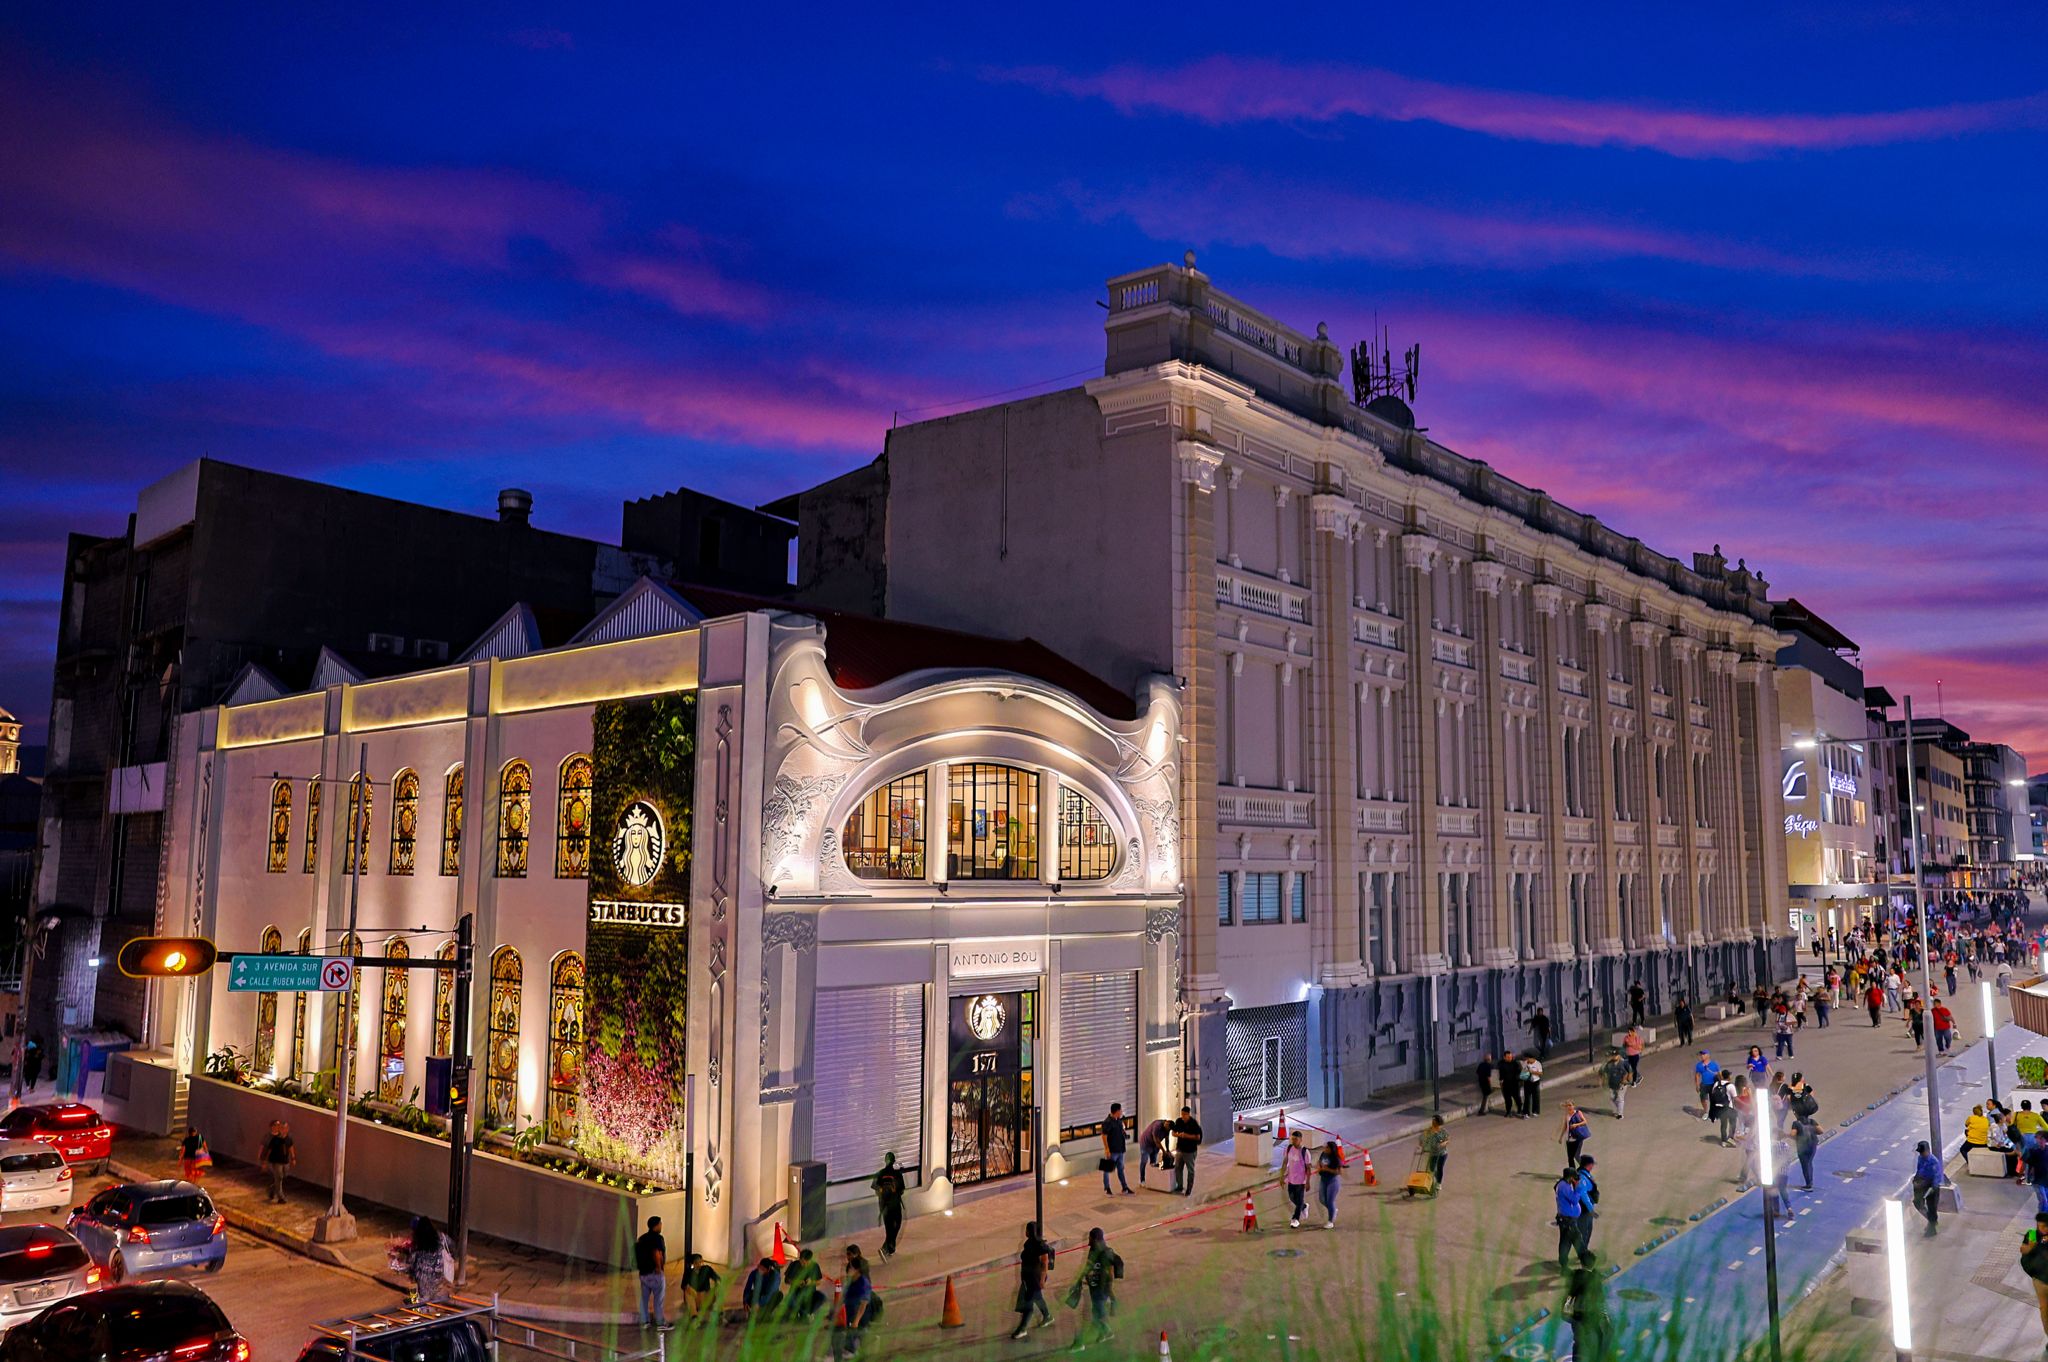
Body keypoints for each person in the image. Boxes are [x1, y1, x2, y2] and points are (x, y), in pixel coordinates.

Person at [1068, 1226, 1122, 1350]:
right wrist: (1078, 1282)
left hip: (1100, 1292)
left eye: (1091, 1238)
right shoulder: (1093, 1251)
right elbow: (1087, 1267)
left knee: (1091, 1319)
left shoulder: (1105, 1253)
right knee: (1095, 1316)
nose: (1089, 1241)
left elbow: (1110, 1276)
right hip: (1094, 1290)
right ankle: (1106, 1333)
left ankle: (1079, 1342)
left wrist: (1110, 1296)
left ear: (1095, 1239)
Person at [1561, 1260, 1612, 1362]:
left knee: (1578, 1341)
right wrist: (1605, 1316)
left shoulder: (1575, 1276)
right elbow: (1600, 1301)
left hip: (1577, 1315)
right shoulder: (1595, 1279)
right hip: (1590, 1315)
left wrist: (1565, 1311)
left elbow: (1569, 1296)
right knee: (1599, 1336)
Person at [1010, 1222, 1053, 1338]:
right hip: (1028, 1279)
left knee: (1028, 1303)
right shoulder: (1028, 1243)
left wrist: (1042, 1280)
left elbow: (1044, 1263)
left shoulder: (1040, 1245)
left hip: (1035, 1279)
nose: (1025, 1232)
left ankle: (1022, 1328)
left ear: (1030, 1231)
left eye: (1027, 1229)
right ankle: (1047, 1316)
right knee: (1037, 1298)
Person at [833, 1246, 872, 1359]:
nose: (848, 1271)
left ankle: (854, 1349)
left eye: (850, 1269)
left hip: (859, 1312)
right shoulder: (852, 1280)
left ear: (856, 1271)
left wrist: (856, 1321)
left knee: (855, 1330)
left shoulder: (863, 1283)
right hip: (850, 1309)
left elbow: (863, 1304)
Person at [405, 1217, 452, 1305]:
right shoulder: (440, 1236)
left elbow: (412, 1260)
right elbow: (451, 1245)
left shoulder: (418, 1242)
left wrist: (410, 1272)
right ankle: (435, 1310)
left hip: (424, 1276)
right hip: (438, 1272)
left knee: (424, 1298)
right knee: (435, 1293)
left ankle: (426, 1315)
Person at [634, 1215, 668, 1329]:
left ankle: (644, 1321)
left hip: (643, 1273)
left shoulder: (642, 1238)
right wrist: (659, 1268)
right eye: (660, 1224)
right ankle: (660, 1322)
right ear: (656, 1226)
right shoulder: (658, 1238)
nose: (661, 1226)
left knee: (644, 1299)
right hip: (655, 1273)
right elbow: (657, 1253)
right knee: (658, 1299)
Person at [1554, 1165, 1589, 1273]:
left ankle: (1564, 1266)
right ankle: (1587, 1266)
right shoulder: (1564, 1186)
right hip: (1568, 1221)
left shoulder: (1562, 1184)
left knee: (1565, 1243)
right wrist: (1578, 1188)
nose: (1576, 1179)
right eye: (1574, 1177)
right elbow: (1574, 1200)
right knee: (1578, 1243)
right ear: (1570, 1178)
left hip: (1565, 1220)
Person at [871, 1152, 907, 1258]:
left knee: (889, 1228)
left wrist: (882, 1191)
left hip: (885, 1206)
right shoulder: (897, 1174)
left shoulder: (880, 1173)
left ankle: (889, 1248)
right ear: (894, 1161)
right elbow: (902, 1190)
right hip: (894, 1205)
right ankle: (886, 1248)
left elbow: (874, 1186)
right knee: (896, 1226)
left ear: (885, 1161)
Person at [1911, 1140, 1944, 1235]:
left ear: (1928, 1150)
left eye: (1923, 1152)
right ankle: (1932, 1220)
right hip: (1923, 1183)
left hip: (1932, 1185)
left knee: (1932, 1207)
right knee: (1917, 1202)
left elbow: (1937, 1176)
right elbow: (1919, 1169)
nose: (1922, 1154)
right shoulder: (1920, 1158)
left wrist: (1933, 1188)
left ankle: (1932, 1227)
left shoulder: (1933, 1162)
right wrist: (1916, 1179)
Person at [1280, 1129, 1312, 1226]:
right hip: (1291, 1179)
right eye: (1292, 1139)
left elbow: (1308, 1168)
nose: (1294, 1141)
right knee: (1292, 1197)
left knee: (1299, 1200)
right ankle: (1304, 1207)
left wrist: (1308, 1181)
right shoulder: (1288, 1148)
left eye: (1296, 1139)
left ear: (1301, 1140)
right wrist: (1282, 1176)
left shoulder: (1305, 1152)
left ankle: (1295, 1219)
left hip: (1301, 1180)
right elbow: (1285, 1162)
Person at [260, 1119, 295, 1205]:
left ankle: (272, 1188)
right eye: (282, 1128)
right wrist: (265, 1161)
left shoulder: (288, 1139)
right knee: (279, 1177)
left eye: (286, 1128)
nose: (284, 1130)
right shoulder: (275, 1139)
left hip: (285, 1161)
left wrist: (293, 1158)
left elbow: (291, 1148)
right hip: (276, 1161)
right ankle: (281, 1197)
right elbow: (269, 1150)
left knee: (283, 1176)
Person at [783, 1248, 825, 1318]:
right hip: (795, 1294)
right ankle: (795, 1313)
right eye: (802, 1262)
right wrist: (796, 1282)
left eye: (806, 1262)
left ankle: (806, 1313)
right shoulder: (794, 1264)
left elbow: (818, 1282)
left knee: (821, 1297)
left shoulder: (815, 1266)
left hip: (809, 1294)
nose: (803, 1264)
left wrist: (811, 1282)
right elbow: (786, 1280)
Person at [1171, 1106, 1203, 1196]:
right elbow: (1173, 1133)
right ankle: (1179, 1186)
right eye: (1182, 1114)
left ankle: (1189, 1188)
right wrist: (1178, 1135)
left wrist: (1186, 1136)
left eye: (1185, 1114)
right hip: (1180, 1149)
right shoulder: (1179, 1121)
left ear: (1188, 1114)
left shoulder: (1193, 1123)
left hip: (1190, 1151)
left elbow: (1197, 1137)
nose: (1183, 1116)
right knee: (1178, 1168)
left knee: (1190, 1170)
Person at [1100, 1102, 1131, 1195]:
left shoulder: (1119, 1120)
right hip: (1112, 1150)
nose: (1121, 1112)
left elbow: (1121, 1131)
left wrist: (1125, 1135)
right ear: (1117, 1111)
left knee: (1121, 1169)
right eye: (1120, 1110)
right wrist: (1107, 1149)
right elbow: (1104, 1136)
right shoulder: (1107, 1122)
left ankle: (1125, 1187)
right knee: (1107, 1170)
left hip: (1120, 1149)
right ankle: (1107, 1188)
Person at [681, 1253, 721, 1323]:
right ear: (693, 1263)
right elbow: (683, 1285)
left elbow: (717, 1277)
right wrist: (689, 1288)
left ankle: (720, 1312)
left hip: (705, 1295)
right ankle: (694, 1316)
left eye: (700, 1262)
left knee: (718, 1290)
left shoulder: (706, 1269)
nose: (699, 1264)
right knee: (687, 1293)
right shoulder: (689, 1272)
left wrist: (717, 1282)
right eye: (696, 1263)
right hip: (695, 1296)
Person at [1574, 1155, 1600, 1256]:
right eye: (1592, 1164)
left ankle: (1584, 1252)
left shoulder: (1585, 1175)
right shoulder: (1582, 1177)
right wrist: (1591, 1210)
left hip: (1587, 1209)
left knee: (1588, 1231)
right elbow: (1583, 1195)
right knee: (1583, 1233)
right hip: (1584, 1210)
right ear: (1589, 1165)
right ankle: (1582, 1255)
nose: (1593, 1166)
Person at [1315, 1139, 1343, 1228]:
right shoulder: (1323, 1154)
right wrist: (1319, 1167)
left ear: (1331, 1149)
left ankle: (1330, 1221)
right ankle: (1333, 1210)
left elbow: (1338, 1172)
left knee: (1330, 1201)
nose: (1325, 1149)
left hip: (1332, 1181)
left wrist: (1327, 1169)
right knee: (1322, 1199)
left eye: (1327, 1147)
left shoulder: (1335, 1159)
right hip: (1323, 1179)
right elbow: (1320, 1162)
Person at [1138, 1116, 1170, 1185]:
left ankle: (1153, 1180)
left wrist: (1168, 1150)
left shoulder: (1168, 1129)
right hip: (1146, 1144)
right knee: (1144, 1161)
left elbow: (1167, 1139)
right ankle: (1142, 1180)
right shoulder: (1157, 1125)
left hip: (1155, 1146)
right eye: (1167, 1127)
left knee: (1153, 1163)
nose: (1168, 1130)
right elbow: (1157, 1141)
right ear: (1165, 1123)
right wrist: (1164, 1151)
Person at [1419, 1115, 1450, 1189]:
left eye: (1434, 1121)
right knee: (1432, 1168)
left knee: (1440, 1168)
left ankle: (1439, 1183)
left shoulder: (1443, 1131)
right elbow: (1423, 1139)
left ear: (1438, 1122)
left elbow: (1448, 1140)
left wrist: (1443, 1144)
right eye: (1433, 1121)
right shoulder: (1429, 1131)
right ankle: (1437, 1177)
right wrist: (1422, 1145)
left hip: (1442, 1154)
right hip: (1433, 1153)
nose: (1433, 1122)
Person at [1791, 1115, 1821, 1191]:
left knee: (1805, 1165)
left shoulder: (1796, 1123)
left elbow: (1793, 1134)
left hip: (1803, 1146)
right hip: (1813, 1145)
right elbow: (1821, 1131)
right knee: (1809, 1163)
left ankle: (1808, 1185)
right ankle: (1810, 1182)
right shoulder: (1812, 1121)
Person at [1601, 1049, 1631, 1120]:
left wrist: (1625, 1080)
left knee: (1620, 1098)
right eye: (1613, 1055)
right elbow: (1605, 1073)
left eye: (1616, 1055)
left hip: (1621, 1084)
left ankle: (1620, 1114)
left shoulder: (1623, 1063)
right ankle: (1618, 1108)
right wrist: (1604, 1081)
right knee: (1612, 1097)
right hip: (1612, 1084)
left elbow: (1628, 1072)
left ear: (1619, 1056)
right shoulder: (1609, 1064)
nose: (1614, 1057)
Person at [1963, 1104, 1994, 1171]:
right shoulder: (1985, 1119)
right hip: (1983, 1142)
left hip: (1972, 1141)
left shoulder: (1971, 1118)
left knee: (1963, 1149)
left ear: (1974, 1112)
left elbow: (1966, 1124)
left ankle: (1970, 1162)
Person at [1560, 1102, 1591, 1167]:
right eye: (1567, 1106)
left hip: (1577, 1137)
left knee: (1576, 1155)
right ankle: (1572, 1173)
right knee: (1570, 1158)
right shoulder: (1567, 1115)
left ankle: (1584, 1168)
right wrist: (1561, 1137)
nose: (1569, 1107)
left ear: (1573, 1106)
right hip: (1569, 1138)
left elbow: (1585, 1121)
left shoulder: (1578, 1113)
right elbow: (1565, 1126)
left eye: (1570, 1105)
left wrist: (1576, 1125)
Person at [1710, 1073, 1736, 1147]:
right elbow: (1735, 1098)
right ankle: (1730, 1138)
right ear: (1728, 1077)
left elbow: (1713, 1094)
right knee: (1733, 1122)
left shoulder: (1716, 1084)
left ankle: (1723, 1141)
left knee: (1723, 1124)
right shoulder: (1730, 1086)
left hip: (1719, 1108)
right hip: (1728, 1108)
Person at [1694, 1051, 1720, 1121]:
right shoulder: (1699, 1065)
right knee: (1703, 1099)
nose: (1702, 1056)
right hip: (1704, 1084)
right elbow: (1697, 1075)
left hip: (1713, 1084)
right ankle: (1706, 1112)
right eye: (1701, 1055)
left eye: (1703, 1054)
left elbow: (1719, 1074)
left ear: (1708, 1055)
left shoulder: (1714, 1064)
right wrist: (1697, 1085)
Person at [1500, 1051, 1524, 1118]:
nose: (1510, 1058)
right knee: (1507, 1099)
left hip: (1515, 1084)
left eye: (1510, 1057)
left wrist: (1520, 1080)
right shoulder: (1501, 1064)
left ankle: (1519, 1110)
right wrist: (1501, 1081)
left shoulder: (1515, 1063)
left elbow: (1520, 1072)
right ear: (1504, 1057)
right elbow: (1501, 1074)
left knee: (1517, 1098)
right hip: (1506, 1085)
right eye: (1508, 1057)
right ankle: (1508, 1112)